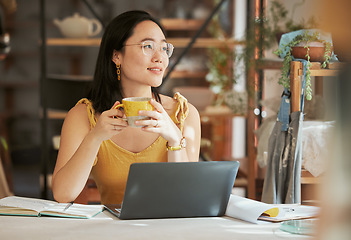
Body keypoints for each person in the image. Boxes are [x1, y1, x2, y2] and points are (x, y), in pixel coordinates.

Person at [51, 10, 201, 204]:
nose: (160, 57)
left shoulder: (184, 115)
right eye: (148, 46)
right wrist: (95, 137)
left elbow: (187, 198)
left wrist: (174, 138)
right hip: (112, 232)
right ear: (116, 56)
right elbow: (63, 194)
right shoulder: (84, 116)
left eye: (164, 48)